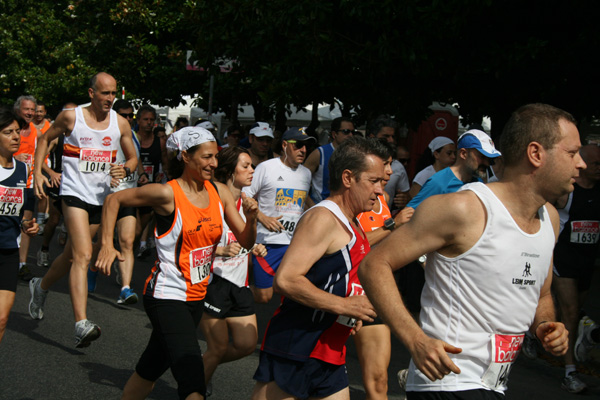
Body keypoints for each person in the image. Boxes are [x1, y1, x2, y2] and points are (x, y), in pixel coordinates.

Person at [359, 103, 575, 399]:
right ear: (536, 154)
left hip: (494, 384)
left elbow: (542, 295)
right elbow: (374, 264)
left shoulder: (548, 218)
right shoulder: (464, 208)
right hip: (448, 381)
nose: (582, 164)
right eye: (572, 153)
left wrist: (545, 325)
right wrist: (416, 340)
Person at [94, 126, 258, 400]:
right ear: (185, 156)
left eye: (215, 157)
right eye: (206, 157)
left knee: (149, 370)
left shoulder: (219, 191)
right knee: (191, 377)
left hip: (196, 296)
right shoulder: (166, 194)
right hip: (166, 295)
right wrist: (106, 245)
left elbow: (246, 239)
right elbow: (113, 200)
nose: (214, 163)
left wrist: (251, 218)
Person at [251, 136, 388, 400]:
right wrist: (344, 306)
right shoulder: (323, 218)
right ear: (347, 178)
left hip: (330, 348)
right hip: (298, 345)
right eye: (374, 181)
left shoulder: (353, 222)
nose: (380, 190)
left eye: (382, 182)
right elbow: (287, 280)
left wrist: (351, 310)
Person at [28, 72, 138, 348]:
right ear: (91, 93)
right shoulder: (71, 117)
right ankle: (81, 323)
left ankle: (39, 287)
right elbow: (43, 140)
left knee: (69, 256)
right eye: (104, 93)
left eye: (113, 93)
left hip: (101, 198)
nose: (110, 99)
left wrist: (123, 168)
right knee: (84, 255)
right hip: (74, 194)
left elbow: (133, 158)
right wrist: (39, 171)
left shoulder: (120, 123)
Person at [200, 146, 267, 394]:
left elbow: (242, 239)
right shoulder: (211, 199)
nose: (252, 170)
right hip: (213, 282)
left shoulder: (246, 203)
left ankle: (197, 367)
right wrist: (218, 251)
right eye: (246, 166)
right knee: (217, 348)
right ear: (230, 170)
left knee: (246, 345)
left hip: (239, 285)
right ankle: (195, 387)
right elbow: (190, 240)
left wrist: (254, 247)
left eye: (252, 165)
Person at [354, 139, 414, 400]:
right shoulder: (350, 198)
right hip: (343, 293)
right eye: (386, 164)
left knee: (379, 381)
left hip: (373, 292)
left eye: (391, 164)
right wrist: (392, 224)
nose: (390, 171)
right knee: (310, 374)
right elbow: (353, 244)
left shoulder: (386, 198)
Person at [243, 127, 314, 303]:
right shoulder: (266, 168)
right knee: (264, 296)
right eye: (298, 145)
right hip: (267, 243)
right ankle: (235, 295)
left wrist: (320, 211)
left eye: (306, 146)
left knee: (292, 293)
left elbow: (304, 200)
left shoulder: (306, 173)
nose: (303, 150)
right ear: (284, 145)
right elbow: (244, 196)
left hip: (294, 243)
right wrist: (261, 217)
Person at [551, 144, 600, 393]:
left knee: (571, 312)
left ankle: (539, 330)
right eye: (596, 165)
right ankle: (570, 373)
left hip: (586, 263)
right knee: (570, 312)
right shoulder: (566, 191)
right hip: (564, 258)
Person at [87, 99, 146, 304]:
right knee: (101, 242)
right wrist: (108, 176)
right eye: (124, 115)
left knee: (127, 241)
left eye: (131, 115)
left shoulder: (134, 135)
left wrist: (140, 174)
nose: (128, 119)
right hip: (107, 197)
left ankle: (125, 288)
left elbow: (134, 159)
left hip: (128, 195)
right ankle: (93, 268)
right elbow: (93, 162)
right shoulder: (107, 133)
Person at [0, 108, 39, 343]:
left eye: (17, 131)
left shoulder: (23, 169)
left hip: (8, 252)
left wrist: (27, 225)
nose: (16, 136)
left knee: (2, 319)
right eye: (8, 132)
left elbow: (22, 211)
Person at [407, 129, 501, 210]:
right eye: (482, 157)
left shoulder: (478, 183)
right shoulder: (439, 183)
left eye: (489, 159)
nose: (487, 163)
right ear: (463, 154)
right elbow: (409, 215)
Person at [13, 95, 39, 281]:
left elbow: (38, 156)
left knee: (27, 223)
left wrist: (41, 176)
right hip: (7, 183)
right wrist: (14, 158)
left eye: (32, 109)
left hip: (28, 184)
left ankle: (22, 265)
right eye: (26, 109)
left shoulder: (35, 131)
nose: (30, 113)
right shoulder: (8, 127)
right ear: (17, 110)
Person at [304, 117, 356, 205]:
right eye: (346, 131)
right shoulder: (320, 153)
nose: (350, 135)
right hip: (321, 207)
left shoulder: (355, 155)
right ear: (334, 134)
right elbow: (301, 182)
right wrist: (313, 207)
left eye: (352, 132)